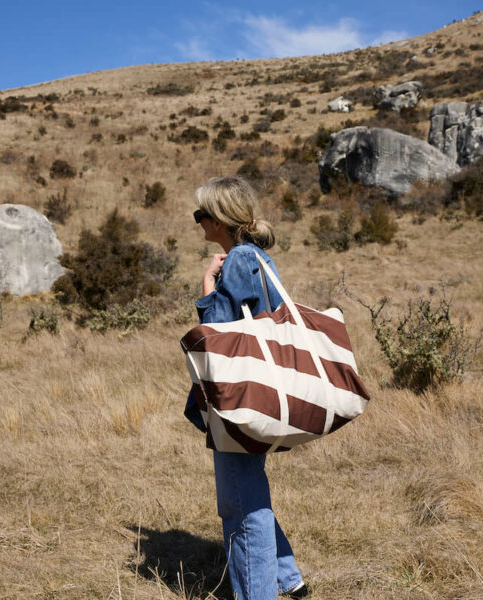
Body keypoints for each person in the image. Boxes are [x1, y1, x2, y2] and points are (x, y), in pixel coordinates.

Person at [184, 175, 308, 600]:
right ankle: (286, 575)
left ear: (219, 220)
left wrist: (206, 291)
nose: (198, 223)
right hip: (258, 389)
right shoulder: (257, 257)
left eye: (201, 215)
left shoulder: (238, 260)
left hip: (236, 394)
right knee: (248, 485)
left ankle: (258, 593)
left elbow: (221, 332)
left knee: (239, 501)